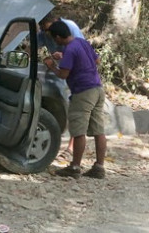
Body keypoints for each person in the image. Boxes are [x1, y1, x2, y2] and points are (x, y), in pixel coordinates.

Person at [43, 21, 107, 179]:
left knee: (78, 130)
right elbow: (97, 61)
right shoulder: (81, 42)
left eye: (54, 39)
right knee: (99, 130)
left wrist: (51, 66)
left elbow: (63, 75)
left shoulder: (69, 49)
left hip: (83, 92)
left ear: (58, 37)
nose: (54, 42)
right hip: (98, 89)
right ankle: (99, 167)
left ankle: (75, 167)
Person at [38, 13, 84, 161]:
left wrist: (62, 57)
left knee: (76, 112)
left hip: (75, 75)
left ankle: (72, 151)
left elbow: (80, 52)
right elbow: (32, 47)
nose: (49, 35)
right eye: (45, 31)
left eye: (50, 31)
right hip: (61, 74)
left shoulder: (70, 27)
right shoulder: (45, 32)